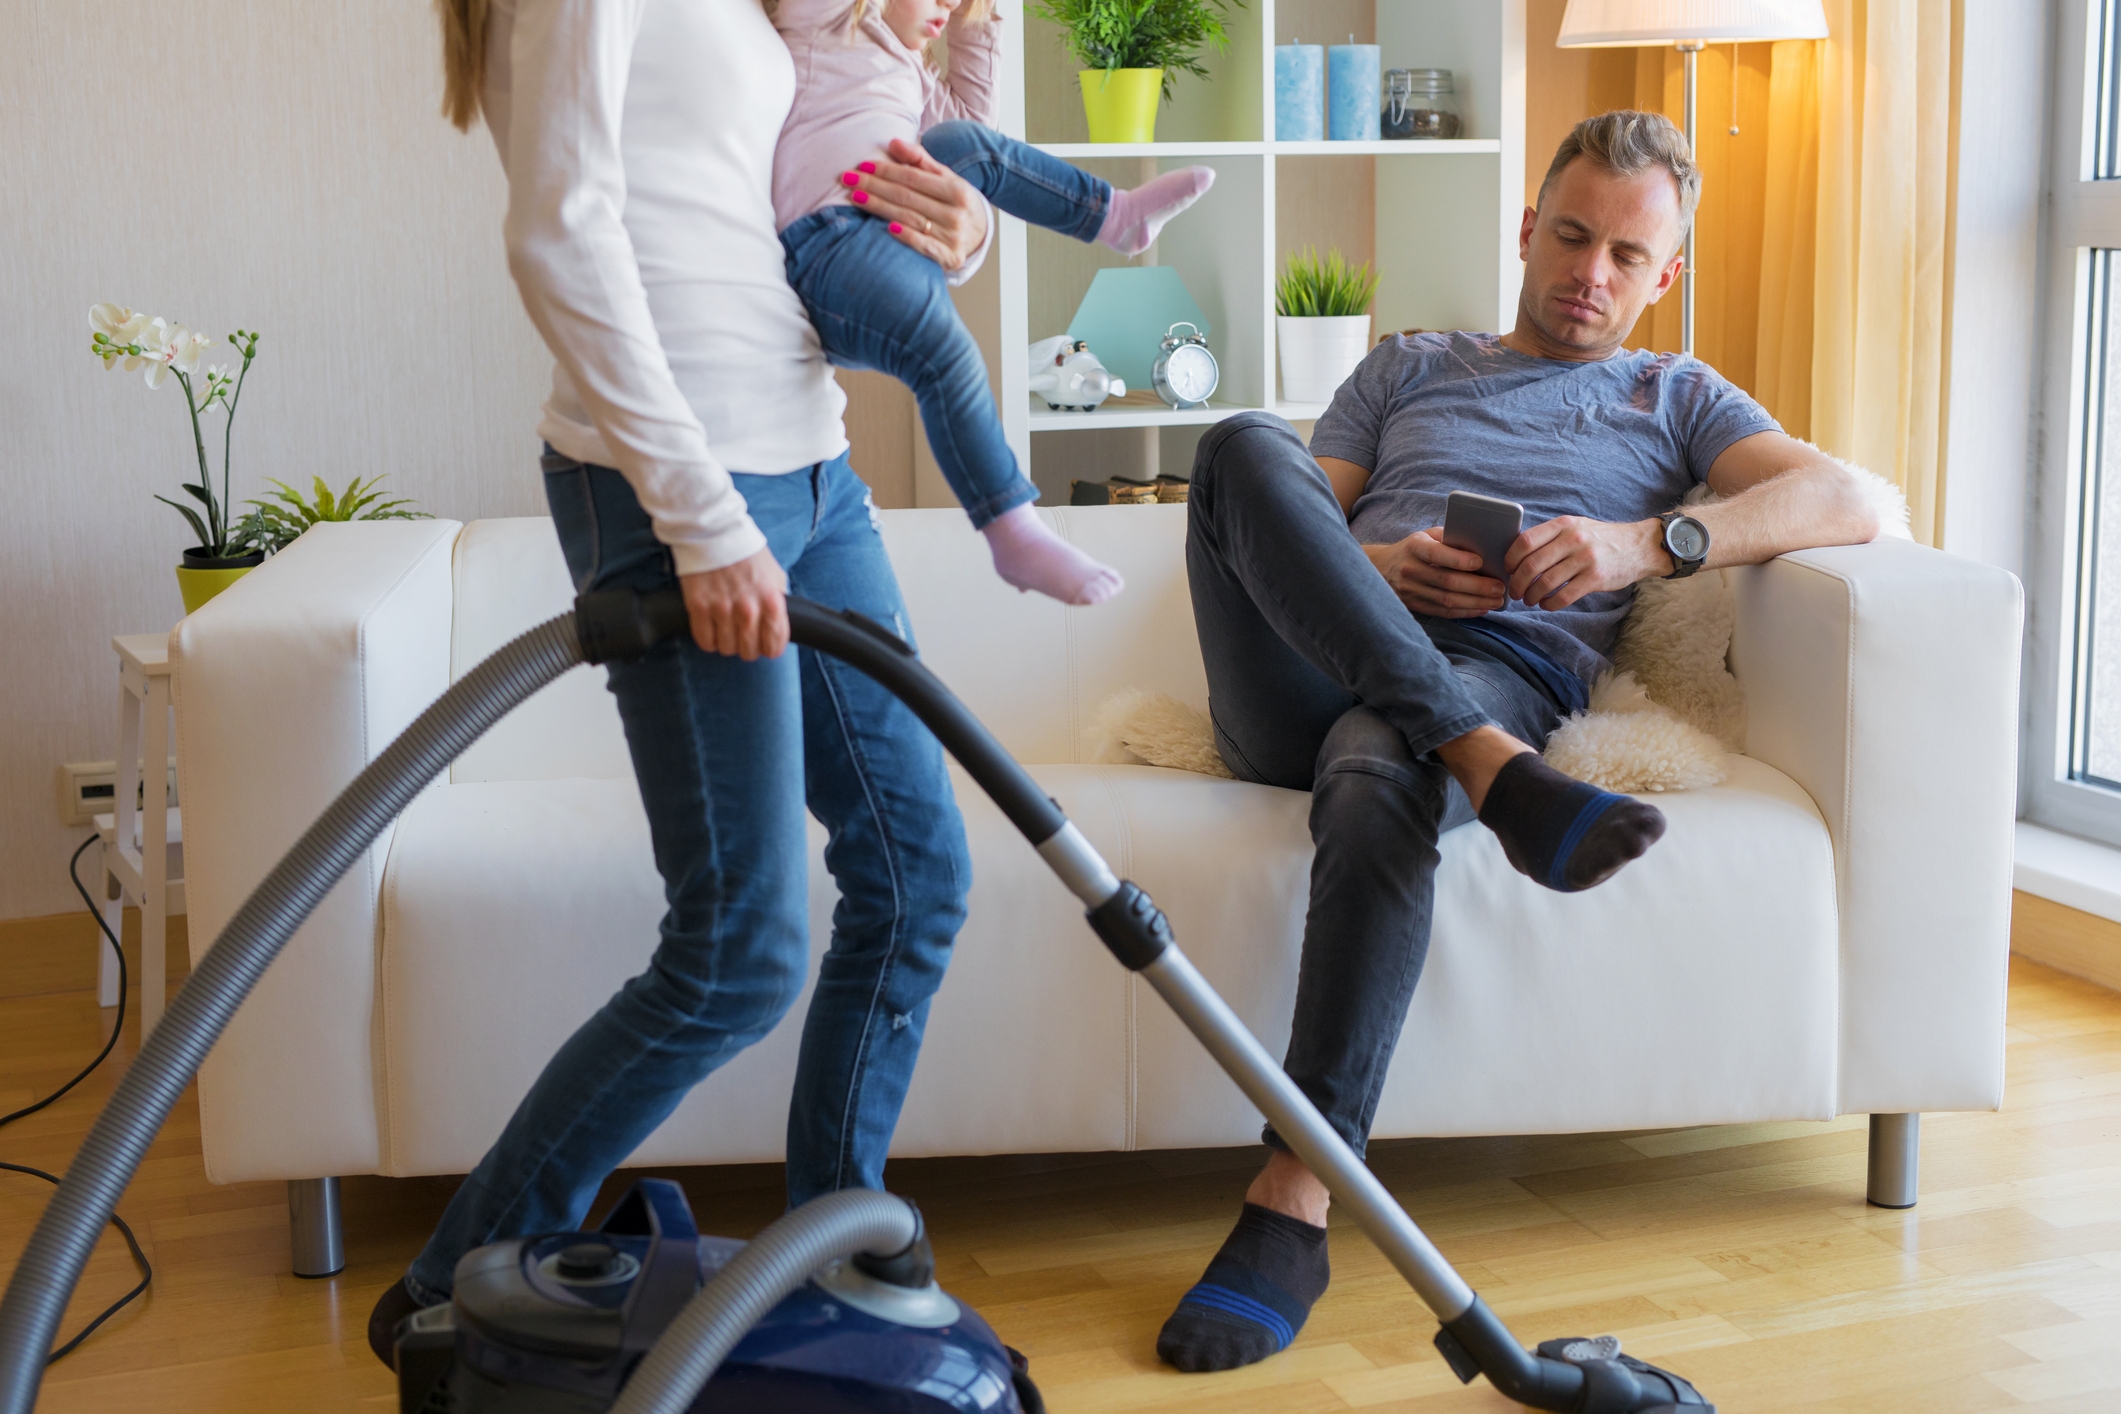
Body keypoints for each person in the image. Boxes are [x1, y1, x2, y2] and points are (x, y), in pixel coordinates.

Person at [1154, 110, 1883, 1374]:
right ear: (1528, 225)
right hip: (1301, 679)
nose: (1589, 274)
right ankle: (1491, 773)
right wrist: (1386, 568)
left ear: (1666, 276)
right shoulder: (1405, 366)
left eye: (1626, 256)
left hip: (1493, 675)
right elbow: (1280, 528)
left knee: (1387, 760)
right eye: (1570, 234)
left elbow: (1856, 497)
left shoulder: (1677, 394)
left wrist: (1640, 544)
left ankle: (1297, 1199)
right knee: (1235, 447)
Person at [368, 0, 1000, 1363]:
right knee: (740, 947)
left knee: (917, 875)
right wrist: (701, 518)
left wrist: (965, 220)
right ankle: (443, 1288)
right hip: (677, 492)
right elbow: (560, 232)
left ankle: (836, 1250)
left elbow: (816, 156)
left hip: (814, 460)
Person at [772, 0, 1217, 606]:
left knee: (964, 144)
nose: (948, 4)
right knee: (947, 353)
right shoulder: (825, 23)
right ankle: (1013, 529)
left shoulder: (912, 71)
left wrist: (973, 26)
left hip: (884, 239)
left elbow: (981, 147)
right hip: (825, 247)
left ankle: (1114, 214)